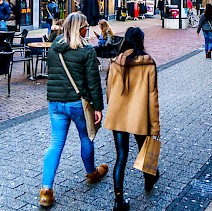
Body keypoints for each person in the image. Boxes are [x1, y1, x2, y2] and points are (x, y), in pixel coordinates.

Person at [39, 12, 108, 208]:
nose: (88, 28)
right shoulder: (86, 50)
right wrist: (98, 107)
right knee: (86, 138)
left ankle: (46, 190)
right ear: (80, 28)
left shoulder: (55, 46)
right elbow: (93, 83)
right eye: (86, 25)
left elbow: (53, 72)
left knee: (55, 143)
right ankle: (91, 173)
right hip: (78, 103)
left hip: (56, 102)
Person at [104, 27, 160, 210]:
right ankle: (149, 179)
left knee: (121, 157)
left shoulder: (116, 62)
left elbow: (110, 91)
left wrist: (113, 105)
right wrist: (155, 125)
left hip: (118, 116)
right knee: (145, 150)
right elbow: (153, 97)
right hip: (140, 116)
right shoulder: (148, 63)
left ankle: (118, 200)